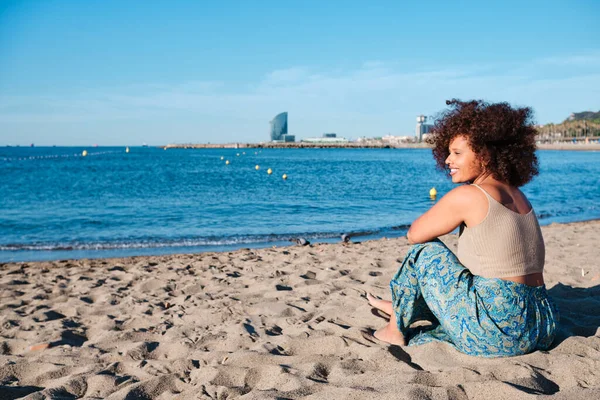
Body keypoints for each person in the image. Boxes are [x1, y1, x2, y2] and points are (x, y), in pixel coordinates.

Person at [368, 99, 559, 357]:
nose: (447, 160)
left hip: (499, 333)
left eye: (457, 153)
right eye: (448, 152)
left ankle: (394, 328)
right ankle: (401, 307)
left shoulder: (470, 195)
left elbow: (414, 234)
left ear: (485, 154)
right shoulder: (518, 195)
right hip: (542, 325)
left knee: (423, 252)